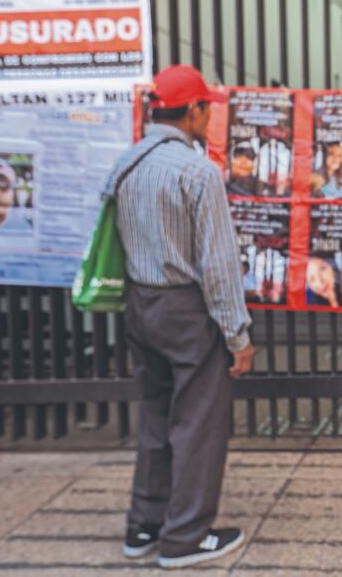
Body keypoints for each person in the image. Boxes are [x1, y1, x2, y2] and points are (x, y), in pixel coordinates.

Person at [110, 64, 254, 569]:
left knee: (154, 415)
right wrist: (237, 336)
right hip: (186, 310)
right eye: (206, 108)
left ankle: (143, 526)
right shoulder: (197, 171)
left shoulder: (126, 163)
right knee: (197, 423)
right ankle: (186, 537)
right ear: (193, 111)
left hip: (140, 303)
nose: (209, 117)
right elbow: (217, 266)